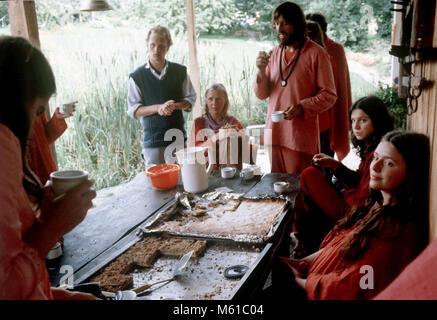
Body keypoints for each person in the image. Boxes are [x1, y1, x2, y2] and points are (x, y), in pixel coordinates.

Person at [0, 36, 97, 300]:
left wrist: (55, 295)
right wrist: (52, 227)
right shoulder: (3, 142)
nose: (32, 125)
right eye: (37, 110)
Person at [282, 130, 430, 300]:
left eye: (389, 163)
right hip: (313, 275)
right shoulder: (379, 207)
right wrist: (300, 263)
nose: (375, 167)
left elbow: (350, 286)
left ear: (412, 173)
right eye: (376, 158)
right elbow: (338, 247)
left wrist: (297, 280)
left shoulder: (396, 231)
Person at [294, 96, 394, 255]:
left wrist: (344, 192)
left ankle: (309, 237)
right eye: (353, 121)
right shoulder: (372, 146)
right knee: (313, 179)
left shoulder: (379, 153)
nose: (356, 127)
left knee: (309, 175)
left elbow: (363, 200)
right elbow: (360, 181)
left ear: (377, 120)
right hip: (354, 203)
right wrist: (336, 166)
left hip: (354, 214)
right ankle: (310, 235)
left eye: (363, 120)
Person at [254, 1, 337, 174]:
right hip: (274, 132)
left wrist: (301, 107)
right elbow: (262, 95)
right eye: (276, 24)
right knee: (276, 186)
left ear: (297, 24)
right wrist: (261, 70)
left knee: (297, 190)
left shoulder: (317, 53)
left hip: (299, 136)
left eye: (285, 23)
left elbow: (329, 95)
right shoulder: (274, 53)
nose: (279, 29)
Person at [127, 25, 197, 167]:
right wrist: (159, 108)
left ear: (168, 47)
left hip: (177, 138)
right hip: (152, 141)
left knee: (181, 181)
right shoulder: (137, 76)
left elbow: (190, 99)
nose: (156, 50)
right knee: (155, 184)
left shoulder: (180, 71)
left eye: (161, 46)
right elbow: (134, 109)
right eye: (152, 45)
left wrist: (173, 106)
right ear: (147, 45)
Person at [306, 12, 352, 162]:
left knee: (325, 158)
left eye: (313, 32)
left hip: (330, 114)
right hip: (307, 114)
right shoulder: (302, 50)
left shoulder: (335, 49)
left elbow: (341, 86)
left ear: (323, 30)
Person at [189, 83, 249, 169]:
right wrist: (217, 137)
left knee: (230, 135)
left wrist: (238, 136)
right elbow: (193, 152)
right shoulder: (199, 123)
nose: (214, 103)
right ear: (206, 101)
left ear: (225, 101)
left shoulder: (234, 123)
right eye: (210, 99)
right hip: (206, 172)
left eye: (218, 99)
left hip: (231, 172)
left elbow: (247, 155)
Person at [305, 20, 337, 174]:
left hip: (321, 119)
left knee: (321, 161)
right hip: (311, 120)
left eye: (308, 35)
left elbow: (329, 93)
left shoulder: (324, 58)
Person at [27, 101, 77, 185]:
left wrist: (57, 119)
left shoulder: (34, 98)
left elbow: (44, 137)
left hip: (45, 167)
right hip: (23, 175)